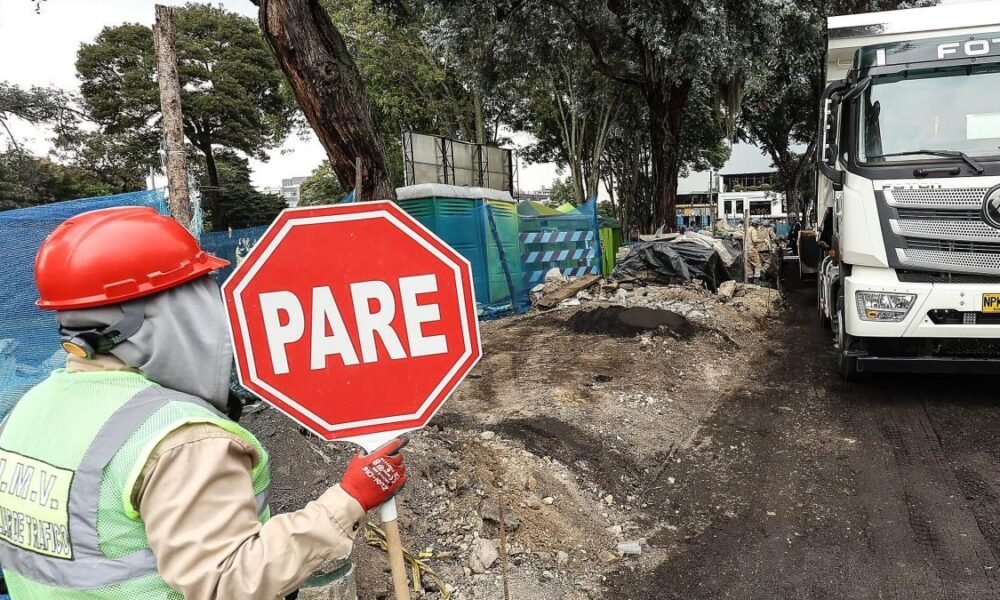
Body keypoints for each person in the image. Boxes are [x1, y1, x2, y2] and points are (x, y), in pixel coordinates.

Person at [0, 206, 408, 599]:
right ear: (172, 313)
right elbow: (228, 583)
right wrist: (351, 497)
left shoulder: (30, 411)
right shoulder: (180, 439)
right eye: (201, 292)